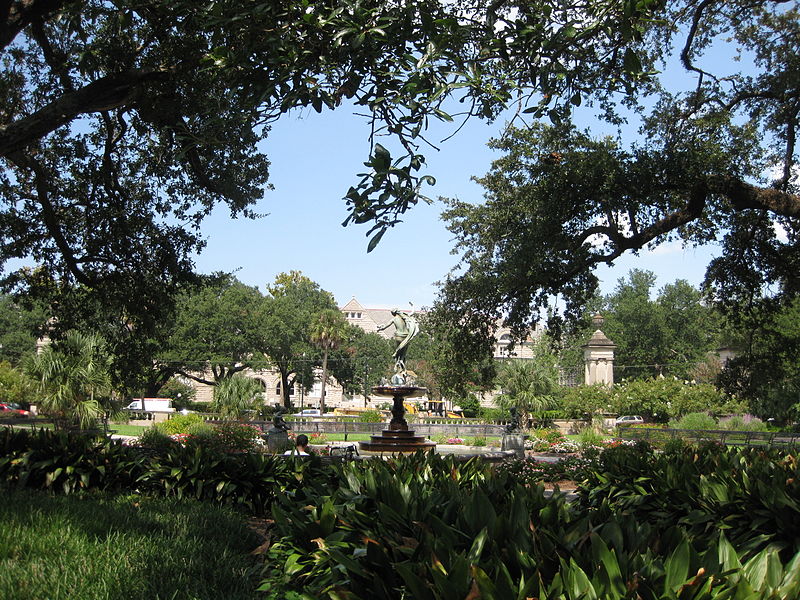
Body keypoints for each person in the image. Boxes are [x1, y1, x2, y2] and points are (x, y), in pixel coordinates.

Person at [377, 308, 419, 374]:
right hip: (405, 335)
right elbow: (411, 314)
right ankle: (402, 360)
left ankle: (397, 362)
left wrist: (380, 328)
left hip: (398, 336)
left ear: (393, 314)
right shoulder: (404, 318)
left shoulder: (393, 319)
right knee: (404, 350)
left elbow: (385, 327)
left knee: (398, 349)